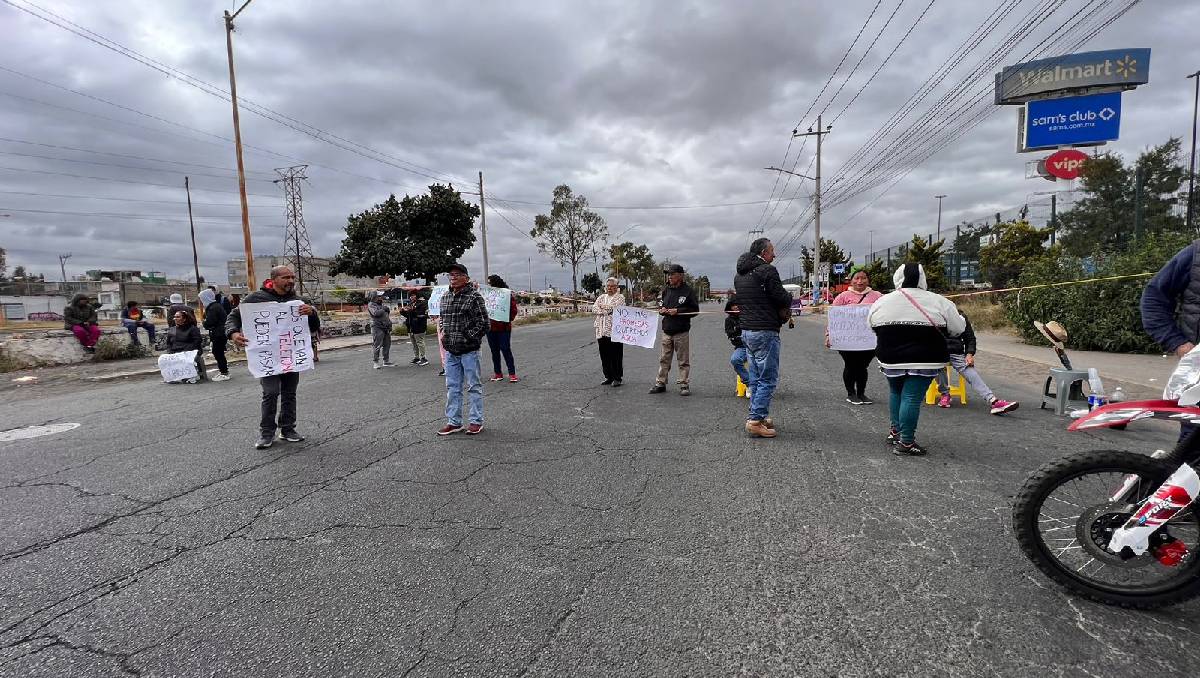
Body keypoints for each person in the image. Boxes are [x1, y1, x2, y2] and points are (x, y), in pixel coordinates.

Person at [868, 263, 966, 456]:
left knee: (896, 392)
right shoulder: (939, 301)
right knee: (911, 397)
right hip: (926, 358)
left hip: (890, 356)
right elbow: (958, 329)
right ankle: (906, 442)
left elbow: (871, 325)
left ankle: (895, 431)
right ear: (923, 279)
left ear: (897, 278)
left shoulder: (883, 301)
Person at [226, 266, 321, 450]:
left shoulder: (299, 301)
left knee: (289, 393)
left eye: (293, 277)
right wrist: (233, 334)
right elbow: (233, 317)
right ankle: (266, 433)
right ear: (274, 279)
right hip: (268, 358)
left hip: (290, 356)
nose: (291, 281)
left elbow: (314, 326)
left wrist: (313, 313)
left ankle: (287, 429)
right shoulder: (255, 299)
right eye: (286, 277)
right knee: (270, 393)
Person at [1141, 241, 1200, 441]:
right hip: (1198, 376)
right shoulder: (1195, 255)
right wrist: (1178, 343)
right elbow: (1154, 297)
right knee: (1193, 453)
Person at [734, 238, 793, 438]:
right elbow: (782, 297)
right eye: (771, 251)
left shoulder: (739, 275)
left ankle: (759, 413)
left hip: (747, 331)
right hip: (766, 330)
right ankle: (755, 420)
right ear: (763, 252)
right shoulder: (767, 271)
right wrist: (789, 299)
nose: (774, 255)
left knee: (756, 378)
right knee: (768, 378)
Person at [437, 263, 489, 435]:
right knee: (453, 387)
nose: (453, 277)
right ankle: (454, 422)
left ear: (466, 278)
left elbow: (484, 324)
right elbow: (443, 319)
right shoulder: (445, 297)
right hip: (451, 351)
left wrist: (467, 337)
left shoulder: (474, 297)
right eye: (450, 274)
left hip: (469, 351)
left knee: (474, 386)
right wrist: (445, 335)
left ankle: (476, 421)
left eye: (457, 274)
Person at [933, 315, 1018, 414]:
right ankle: (945, 394)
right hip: (937, 351)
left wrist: (969, 354)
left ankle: (994, 401)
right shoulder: (933, 314)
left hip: (956, 352)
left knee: (969, 370)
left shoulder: (960, 316)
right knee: (936, 364)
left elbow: (970, 338)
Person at [825, 267, 882, 405]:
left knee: (863, 366)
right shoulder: (842, 297)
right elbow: (833, 318)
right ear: (851, 281)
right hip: (847, 341)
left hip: (869, 340)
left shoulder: (878, 296)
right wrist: (829, 335)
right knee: (851, 365)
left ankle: (861, 393)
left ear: (868, 280)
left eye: (863, 278)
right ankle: (851, 393)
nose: (860, 281)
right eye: (856, 278)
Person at [649, 264, 700, 396]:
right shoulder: (666, 290)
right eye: (669, 274)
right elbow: (661, 303)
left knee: (683, 360)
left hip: (681, 331)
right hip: (667, 330)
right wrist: (662, 309)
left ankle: (684, 384)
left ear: (681, 275)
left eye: (672, 274)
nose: (670, 276)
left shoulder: (688, 291)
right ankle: (660, 383)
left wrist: (678, 311)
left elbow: (695, 310)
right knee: (664, 359)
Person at [485, 275, 520, 383]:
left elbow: (513, 310)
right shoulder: (487, 294)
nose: (488, 285)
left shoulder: (506, 294)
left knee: (505, 349)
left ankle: (512, 374)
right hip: (490, 328)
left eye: (490, 283)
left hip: (504, 328)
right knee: (494, 351)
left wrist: (506, 318)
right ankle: (498, 373)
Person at [593, 277, 626, 387]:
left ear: (617, 287)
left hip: (614, 331)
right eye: (608, 286)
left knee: (615, 355)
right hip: (601, 330)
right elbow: (594, 308)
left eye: (612, 286)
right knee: (604, 355)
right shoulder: (601, 297)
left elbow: (615, 308)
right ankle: (608, 376)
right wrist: (603, 310)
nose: (610, 288)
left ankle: (617, 377)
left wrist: (603, 309)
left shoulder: (620, 297)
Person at [198, 288, 230, 382]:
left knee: (218, 352)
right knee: (218, 352)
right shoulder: (215, 306)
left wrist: (204, 323)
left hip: (219, 333)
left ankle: (224, 372)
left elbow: (210, 322)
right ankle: (223, 371)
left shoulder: (213, 308)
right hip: (220, 333)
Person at [725, 289, 752, 396]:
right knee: (735, 360)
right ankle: (750, 384)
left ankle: (764, 387)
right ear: (730, 307)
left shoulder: (749, 316)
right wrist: (739, 329)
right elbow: (730, 334)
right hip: (741, 347)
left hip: (755, 345)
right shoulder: (728, 321)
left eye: (737, 304)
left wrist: (738, 330)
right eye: (733, 305)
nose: (735, 306)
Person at [165, 309, 204, 383]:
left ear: (184, 319)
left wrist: (184, 351)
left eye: (178, 317)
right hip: (175, 351)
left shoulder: (192, 329)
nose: (175, 319)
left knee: (184, 358)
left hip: (190, 351)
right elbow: (168, 343)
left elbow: (197, 342)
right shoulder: (172, 330)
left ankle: (191, 375)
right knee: (163, 359)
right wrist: (170, 351)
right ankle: (173, 376)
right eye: (175, 317)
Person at [400, 289, 430, 365]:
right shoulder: (410, 304)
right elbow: (408, 315)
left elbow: (422, 314)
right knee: (414, 343)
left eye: (413, 295)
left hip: (419, 326)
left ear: (417, 295)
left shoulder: (422, 303)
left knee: (420, 342)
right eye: (410, 296)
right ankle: (416, 357)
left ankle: (424, 358)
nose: (412, 297)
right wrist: (402, 311)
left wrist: (411, 311)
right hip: (410, 326)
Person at [367, 290, 396, 369]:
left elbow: (386, 315)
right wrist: (383, 309)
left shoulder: (380, 304)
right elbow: (376, 313)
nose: (380, 297)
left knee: (387, 344)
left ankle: (386, 361)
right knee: (377, 345)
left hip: (385, 327)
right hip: (377, 327)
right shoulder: (371, 304)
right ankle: (375, 362)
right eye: (379, 296)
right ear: (374, 297)